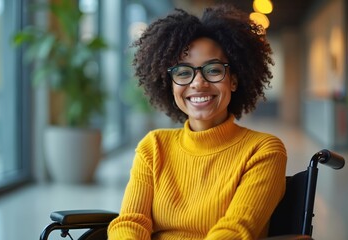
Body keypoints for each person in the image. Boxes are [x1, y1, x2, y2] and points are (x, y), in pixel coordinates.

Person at [108, 3, 287, 240]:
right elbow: (130, 222)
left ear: (233, 80)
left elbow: (234, 231)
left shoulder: (263, 150)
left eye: (213, 70)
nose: (198, 83)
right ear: (170, 84)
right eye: (183, 72)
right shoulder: (153, 147)